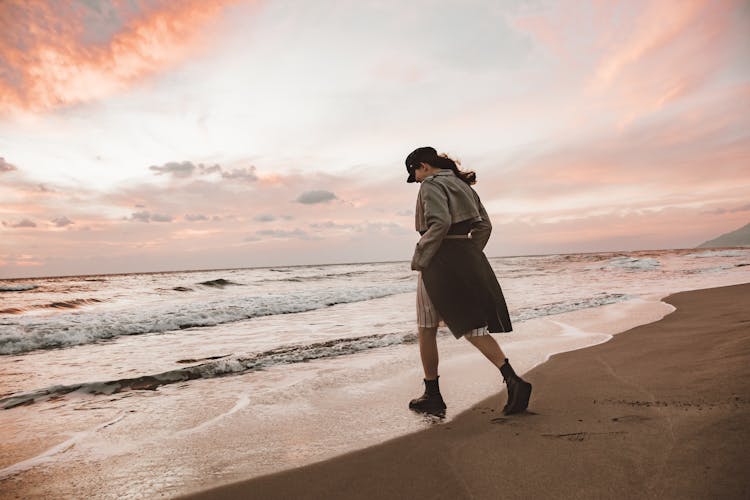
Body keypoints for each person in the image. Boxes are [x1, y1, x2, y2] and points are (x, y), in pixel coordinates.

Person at [404, 146, 532, 417]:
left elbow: (439, 222)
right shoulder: (464, 186)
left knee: (426, 327)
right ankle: (512, 379)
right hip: (466, 257)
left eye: (414, 172)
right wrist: (469, 251)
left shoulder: (430, 185)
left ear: (424, 166)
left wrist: (421, 256)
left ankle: (433, 394)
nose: (415, 179)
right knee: (471, 324)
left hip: (439, 261)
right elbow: (485, 226)